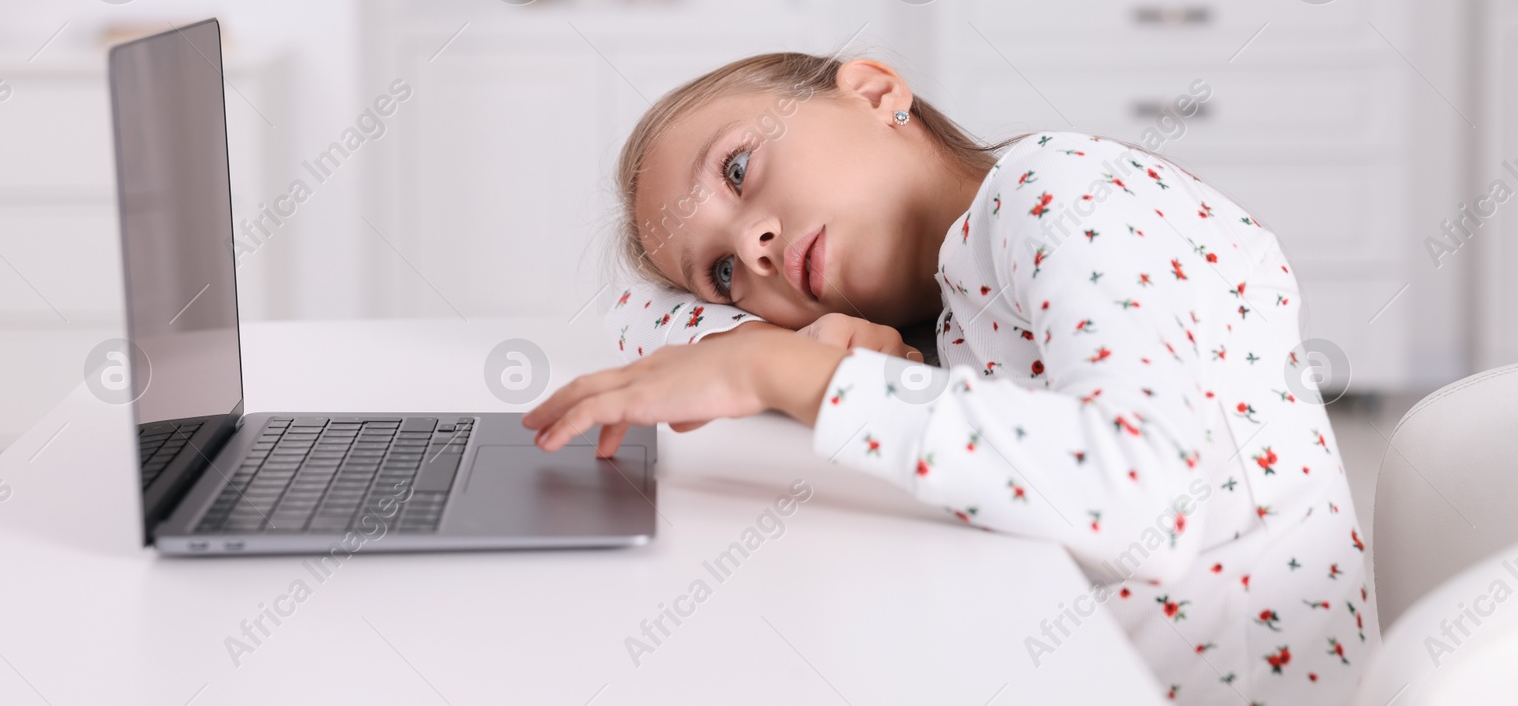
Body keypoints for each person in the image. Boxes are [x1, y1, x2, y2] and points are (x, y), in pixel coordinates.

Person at [522, 52, 1374, 703]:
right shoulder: (954, 305)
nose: (751, 250)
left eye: (738, 170)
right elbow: (641, 311)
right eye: (720, 275)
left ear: (873, 89)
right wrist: (815, 343)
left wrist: (779, 368)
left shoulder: (1062, 188)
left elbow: (1143, 495)